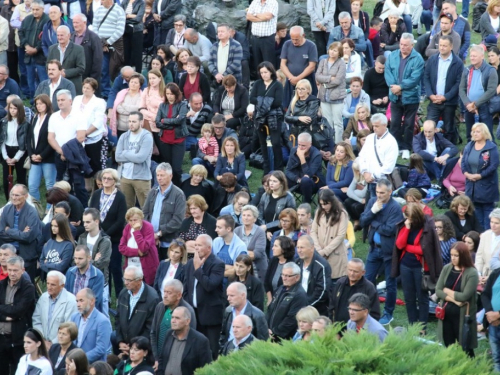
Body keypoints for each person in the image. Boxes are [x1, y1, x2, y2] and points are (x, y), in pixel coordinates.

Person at [392, 203, 443, 334]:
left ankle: (422, 327)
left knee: (422, 298)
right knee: (409, 298)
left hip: (421, 268)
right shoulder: (406, 224)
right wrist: (407, 228)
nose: (408, 220)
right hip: (406, 266)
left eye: (410, 218)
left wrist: (408, 248)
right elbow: (399, 244)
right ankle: (412, 325)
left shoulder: (427, 226)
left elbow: (423, 249)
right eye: (407, 217)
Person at [359, 179, 404, 325]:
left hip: (389, 251)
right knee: (367, 280)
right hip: (374, 249)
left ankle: (388, 313)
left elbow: (390, 230)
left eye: (382, 193)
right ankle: (369, 310)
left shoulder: (394, 208)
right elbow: (362, 221)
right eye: (377, 192)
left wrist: (374, 222)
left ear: (390, 192)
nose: (379, 195)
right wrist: (372, 212)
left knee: (390, 284)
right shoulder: (373, 201)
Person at [183, 234, 225, 359]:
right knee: (195, 349)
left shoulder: (218, 264)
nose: (196, 248)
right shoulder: (190, 263)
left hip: (210, 315)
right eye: (195, 245)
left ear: (209, 248)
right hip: (193, 313)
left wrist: (198, 269)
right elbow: (186, 286)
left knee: (212, 349)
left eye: (199, 245)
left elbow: (209, 285)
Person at [385, 33, 424, 159]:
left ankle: (406, 147)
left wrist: (400, 87)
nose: (402, 47)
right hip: (395, 96)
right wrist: (394, 87)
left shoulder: (418, 59)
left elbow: (415, 78)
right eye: (401, 44)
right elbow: (388, 73)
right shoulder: (392, 56)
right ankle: (395, 146)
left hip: (411, 98)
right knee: (395, 123)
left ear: (412, 45)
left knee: (409, 123)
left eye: (406, 45)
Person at [88, 168, 127, 296]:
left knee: (115, 268)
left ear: (115, 181)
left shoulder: (120, 197)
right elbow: (92, 213)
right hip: (97, 237)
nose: (106, 180)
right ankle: (106, 296)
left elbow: (120, 220)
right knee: (100, 267)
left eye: (109, 178)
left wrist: (106, 234)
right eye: (104, 178)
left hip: (113, 239)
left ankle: (120, 296)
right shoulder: (97, 194)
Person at [435, 242, 478, 356]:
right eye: (451, 255)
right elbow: (438, 290)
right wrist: (454, 300)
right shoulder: (447, 268)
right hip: (446, 314)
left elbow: (464, 296)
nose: (453, 258)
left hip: (462, 316)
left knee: (465, 346)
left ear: (463, 256)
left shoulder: (472, 273)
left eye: (456, 255)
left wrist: (447, 290)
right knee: (448, 344)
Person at [47, 89, 88, 207]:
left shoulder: (79, 116)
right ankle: (62, 209)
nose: (60, 102)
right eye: (58, 100)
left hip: (76, 154)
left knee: (78, 185)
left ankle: (83, 211)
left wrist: (66, 152)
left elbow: (80, 137)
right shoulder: (54, 117)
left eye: (63, 100)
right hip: (60, 154)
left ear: (70, 101)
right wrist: (62, 152)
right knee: (61, 185)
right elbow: (51, 138)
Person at [142, 162, 186, 261]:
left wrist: (158, 234)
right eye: (157, 175)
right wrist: (150, 234)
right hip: (150, 240)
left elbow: (177, 220)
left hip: (168, 242)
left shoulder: (178, 194)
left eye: (162, 175)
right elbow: (144, 213)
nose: (159, 178)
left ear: (170, 176)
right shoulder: (153, 192)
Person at [150, 279, 196, 369]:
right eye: (164, 292)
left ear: (179, 295)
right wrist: (156, 358)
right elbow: (153, 333)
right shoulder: (160, 306)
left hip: (176, 364)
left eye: (169, 293)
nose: (165, 296)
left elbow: (190, 340)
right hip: (158, 360)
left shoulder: (188, 311)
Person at [0, 185, 43, 281]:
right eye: (12, 195)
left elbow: (28, 237)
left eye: (17, 195)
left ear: (26, 196)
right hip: (7, 255)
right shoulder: (7, 209)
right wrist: (20, 234)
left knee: (26, 286)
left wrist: (9, 231)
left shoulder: (32, 212)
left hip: (26, 256)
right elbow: (1, 232)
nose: (14, 198)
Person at [115, 266, 159, 355]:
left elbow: (150, 328)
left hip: (140, 347)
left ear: (139, 280)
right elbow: (118, 319)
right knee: (113, 337)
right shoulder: (123, 293)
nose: (125, 283)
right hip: (124, 343)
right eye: (124, 279)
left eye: (129, 280)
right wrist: (120, 341)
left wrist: (133, 346)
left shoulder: (152, 299)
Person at [463, 123, 499, 230]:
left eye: (478, 131)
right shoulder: (469, 145)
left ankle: (489, 235)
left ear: (484, 133)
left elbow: (494, 165)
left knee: (488, 215)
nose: (475, 133)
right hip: (472, 186)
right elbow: (464, 162)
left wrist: (480, 175)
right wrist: (466, 173)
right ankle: (479, 237)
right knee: (476, 212)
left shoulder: (491, 147)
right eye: (473, 131)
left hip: (486, 187)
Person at [157, 306, 212, 374]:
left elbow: (205, 369)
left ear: (187, 321)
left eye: (177, 318)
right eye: (172, 317)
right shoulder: (169, 334)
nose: (173, 321)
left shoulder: (200, 341)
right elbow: (162, 359)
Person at [115, 111, 153, 209]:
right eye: (129, 121)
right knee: (127, 208)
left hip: (142, 178)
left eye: (134, 121)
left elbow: (141, 158)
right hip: (125, 177)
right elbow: (117, 157)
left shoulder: (147, 136)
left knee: (146, 208)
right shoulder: (124, 136)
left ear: (141, 122)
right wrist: (133, 156)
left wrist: (125, 153)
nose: (131, 124)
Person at [459, 46, 497, 140]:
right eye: (471, 56)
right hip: (469, 107)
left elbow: (491, 91)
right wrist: (468, 104)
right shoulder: (467, 70)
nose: (472, 58)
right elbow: (461, 88)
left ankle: (490, 153)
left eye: (474, 56)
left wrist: (476, 104)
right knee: (470, 135)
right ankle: (470, 153)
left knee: (487, 135)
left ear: (482, 56)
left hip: (484, 107)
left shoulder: (490, 71)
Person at [72, 78, 107, 183]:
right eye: (84, 87)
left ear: (93, 90)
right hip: (77, 136)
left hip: (93, 138)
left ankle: (96, 185)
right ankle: (84, 185)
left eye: (88, 88)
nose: (85, 89)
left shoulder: (99, 102)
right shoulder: (77, 99)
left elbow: (98, 122)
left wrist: (85, 133)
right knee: (80, 163)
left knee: (94, 163)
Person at [311, 189, 349, 284]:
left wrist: (325, 251)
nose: (324, 206)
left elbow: (340, 236)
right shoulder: (319, 212)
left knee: (335, 282)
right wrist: (318, 249)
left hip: (335, 254)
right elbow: (313, 231)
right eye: (321, 204)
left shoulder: (342, 214)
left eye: (326, 204)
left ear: (332, 201)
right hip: (319, 252)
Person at [77, 208, 112, 309]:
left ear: (96, 221)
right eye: (84, 222)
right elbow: (75, 260)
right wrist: (93, 260)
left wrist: (85, 260)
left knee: (102, 314)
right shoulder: (82, 237)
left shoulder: (105, 241)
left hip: (99, 283)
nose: (85, 224)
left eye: (88, 222)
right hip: (83, 280)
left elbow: (101, 264)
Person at [219, 281, 268, 351]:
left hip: (248, 356)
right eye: (228, 295)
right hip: (229, 354)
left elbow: (263, 342)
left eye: (232, 295)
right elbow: (223, 335)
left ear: (243, 295)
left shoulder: (257, 315)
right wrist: (222, 351)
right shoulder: (228, 310)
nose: (228, 298)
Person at [358, 113, 398, 198]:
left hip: (382, 183)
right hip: (368, 181)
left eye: (377, 126)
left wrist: (372, 176)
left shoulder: (391, 142)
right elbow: (362, 156)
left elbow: (388, 166)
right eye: (373, 126)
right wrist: (364, 172)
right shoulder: (370, 138)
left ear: (385, 125)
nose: (374, 128)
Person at [155, 83, 188, 186]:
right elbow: (157, 122)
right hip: (164, 140)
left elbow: (180, 120)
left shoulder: (182, 105)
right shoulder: (162, 105)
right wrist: (172, 123)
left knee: (176, 169)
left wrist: (165, 120)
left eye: (172, 94)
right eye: (167, 93)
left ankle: (179, 189)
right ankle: (167, 187)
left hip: (178, 140)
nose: (169, 96)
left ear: (176, 94)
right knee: (167, 168)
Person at [33, 271, 77, 346]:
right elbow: (36, 320)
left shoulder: (71, 301)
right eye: (48, 283)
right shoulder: (43, 297)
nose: (49, 287)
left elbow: (69, 327)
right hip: (42, 344)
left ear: (62, 286)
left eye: (53, 284)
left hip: (61, 346)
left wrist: (53, 343)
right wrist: (43, 340)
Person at [329, 258, 380, 324]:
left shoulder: (369, 288)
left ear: (363, 272)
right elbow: (332, 305)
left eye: (355, 271)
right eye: (350, 270)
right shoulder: (340, 283)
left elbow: (374, 314)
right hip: (337, 328)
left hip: (356, 331)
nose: (352, 273)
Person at [266, 262, 308, 341]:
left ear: (297, 277)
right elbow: (270, 309)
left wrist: (275, 333)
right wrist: (266, 328)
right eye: (283, 275)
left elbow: (291, 319)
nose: (284, 278)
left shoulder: (299, 295)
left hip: (284, 339)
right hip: (270, 334)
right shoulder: (280, 289)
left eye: (288, 276)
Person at [92, 0, 126, 99]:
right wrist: (101, 43)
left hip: (115, 45)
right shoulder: (98, 11)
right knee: (103, 69)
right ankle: (105, 93)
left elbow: (120, 30)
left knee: (115, 69)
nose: (101, 1)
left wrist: (108, 43)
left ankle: (118, 92)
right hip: (101, 44)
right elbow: (95, 28)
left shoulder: (119, 10)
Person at [26, 94, 55, 204]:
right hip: (34, 158)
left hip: (48, 158)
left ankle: (50, 210)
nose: (39, 106)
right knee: (32, 186)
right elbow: (29, 138)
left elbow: (52, 140)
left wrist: (42, 155)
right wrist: (31, 154)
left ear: (47, 104)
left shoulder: (52, 117)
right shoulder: (34, 118)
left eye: (41, 103)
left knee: (50, 186)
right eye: (37, 104)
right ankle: (36, 209)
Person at [119, 208, 159, 286]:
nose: (133, 223)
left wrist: (136, 231)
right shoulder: (127, 228)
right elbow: (121, 248)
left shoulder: (148, 227)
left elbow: (144, 248)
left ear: (141, 219)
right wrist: (137, 252)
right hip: (131, 265)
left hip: (147, 267)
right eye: (130, 220)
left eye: (135, 220)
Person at [280, 26, 318, 108]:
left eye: (297, 39)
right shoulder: (287, 44)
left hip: (307, 81)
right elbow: (282, 64)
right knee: (289, 105)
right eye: (292, 39)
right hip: (290, 81)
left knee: (307, 105)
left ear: (303, 35)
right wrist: (291, 78)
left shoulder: (311, 46)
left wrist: (298, 79)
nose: (294, 41)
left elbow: (311, 66)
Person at [316, 41, 346, 144]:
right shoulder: (323, 61)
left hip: (337, 97)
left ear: (339, 52)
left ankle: (338, 144)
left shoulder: (341, 63)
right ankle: (329, 144)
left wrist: (324, 84)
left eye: (335, 50)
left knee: (337, 123)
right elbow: (317, 76)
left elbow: (338, 80)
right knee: (327, 122)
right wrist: (329, 78)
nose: (332, 52)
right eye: (331, 49)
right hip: (324, 96)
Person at [70, 288, 111, 363]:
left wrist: (81, 360)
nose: (78, 304)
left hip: (93, 366)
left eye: (81, 300)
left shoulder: (102, 321)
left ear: (92, 301)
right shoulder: (74, 317)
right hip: (74, 363)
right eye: (77, 301)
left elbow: (101, 348)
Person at [18, 0, 49, 99]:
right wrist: (26, 46)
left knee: (43, 82)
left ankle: (45, 103)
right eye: (33, 9)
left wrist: (36, 49)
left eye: (37, 9)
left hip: (41, 57)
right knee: (30, 82)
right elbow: (21, 32)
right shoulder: (27, 19)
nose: (34, 12)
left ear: (42, 9)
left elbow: (46, 38)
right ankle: (33, 102)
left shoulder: (47, 20)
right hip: (29, 56)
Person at [0, 97, 29, 200]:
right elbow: (2, 140)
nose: (12, 110)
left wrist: (16, 158)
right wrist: (6, 157)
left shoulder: (25, 123)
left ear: (19, 109)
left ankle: (22, 200)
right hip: (7, 151)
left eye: (15, 108)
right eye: (11, 108)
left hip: (20, 152)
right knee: (7, 180)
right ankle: (9, 201)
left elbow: (24, 143)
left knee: (21, 179)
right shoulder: (4, 121)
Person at [295, 235, 331, 315]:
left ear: (312, 248)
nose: (299, 250)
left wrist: (306, 307)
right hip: (298, 307)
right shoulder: (296, 263)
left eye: (302, 247)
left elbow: (322, 291)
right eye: (298, 247)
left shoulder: (322, 266)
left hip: (316, 311)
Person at [286, 132, 325, 204]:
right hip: (297, 180)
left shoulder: (317, 155)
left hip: (313, 182)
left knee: (305, 180)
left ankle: (306, 204)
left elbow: (309, 174)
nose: (300, 148)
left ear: (310, 144)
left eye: (303, 145)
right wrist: (297, 179)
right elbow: (288, 170)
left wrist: (302, 158)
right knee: (277, 176)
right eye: (299, 144)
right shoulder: (294, 150)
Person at [47, 25, 86, 95]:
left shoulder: (78, 49)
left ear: (69, 35)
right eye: (58, 35)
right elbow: (47, 66)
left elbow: (81, 68)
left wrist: (65, 73)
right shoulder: (52, 49)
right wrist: (54, 72)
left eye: (61, 35)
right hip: (56, 85)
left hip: (73, 85)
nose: (59, 37)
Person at [65, 245, 105, 312]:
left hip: (89, 313)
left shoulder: (97, 275)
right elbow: (66, 294)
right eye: (75, 258)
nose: (77, 261)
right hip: (71, 311)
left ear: (89, 258)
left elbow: (95, 300)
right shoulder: (70, 272)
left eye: (80, 258)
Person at [71, 14, 103, 96]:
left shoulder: (94, 38)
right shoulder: (71, 36)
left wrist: (92, 80)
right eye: (73, 22)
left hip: (89, 78)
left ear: (84, 22)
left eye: (77, 22)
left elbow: (98, 60)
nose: (74, 25)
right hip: (74, 78)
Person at [258, 170, 295, 238]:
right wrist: (267, 230)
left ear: (281, 183)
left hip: (282, 231)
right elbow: (260, 215)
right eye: (270, 181)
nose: (271, 183)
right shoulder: (265, 195)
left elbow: (289, 219)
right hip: (264, 230)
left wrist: (267, 226)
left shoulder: (289, 198)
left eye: (274, 181)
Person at [234, 206, 267, 283]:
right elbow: (233, 251)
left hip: (256, 269)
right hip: (240, 268)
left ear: (255, 219)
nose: (246, 218)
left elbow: (257, 254)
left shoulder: (260, 232)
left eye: (249, 215)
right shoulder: (236, 231)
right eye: (244, 215)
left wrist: (240, 253)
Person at [246, 0, 279, 73]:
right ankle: (259, 81)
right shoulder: (254, 2)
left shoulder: (273, 2)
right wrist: (262, 17)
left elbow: (268, 16)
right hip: (255, 39)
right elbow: (248, 16)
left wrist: (255, 15)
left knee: (269, 63)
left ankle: (271, 81)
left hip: (268, 39)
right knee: (257, 63)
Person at [264, 236, 296, 303]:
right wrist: (270, 299)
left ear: (284, 249)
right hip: (272, 301)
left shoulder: (292, 264)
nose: (272, 248)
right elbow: (266, 282)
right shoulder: (273, 260)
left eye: (276, 246)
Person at [481, 262, 500, 371]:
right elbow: (485, 294)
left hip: (496, 318)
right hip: (492, 322)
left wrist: (498, 315)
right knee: (496, 358)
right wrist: (489, 313)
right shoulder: (496, 273)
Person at [475, 209, 500, 286]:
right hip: (482, 275)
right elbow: (479, 256)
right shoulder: (485, 235)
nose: (493, 225)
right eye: (491, 222)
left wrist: (490, 277)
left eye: (496, 223)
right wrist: (478, 274)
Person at [120, 0, 145, 73]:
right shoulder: (124, 2)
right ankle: (126, 74)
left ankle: (138, 74)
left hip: (136, 31)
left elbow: (138, 19)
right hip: (125, 31)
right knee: (126, 55)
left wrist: (126, 16)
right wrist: (132, 16)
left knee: (137, 55)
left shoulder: (141, 3)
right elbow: (120, 16)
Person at [344, 162, 367, 231]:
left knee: (355, 206)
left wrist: (353, 191)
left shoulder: (368, 177)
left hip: (368, 198)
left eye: (358, 170)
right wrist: (360, 200)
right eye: (355, 170)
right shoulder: (356, 177)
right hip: (361, 199)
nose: (357, 172)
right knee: (347, 202)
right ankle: (356, 221)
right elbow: (348, 192)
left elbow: (363, 194)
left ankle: (364, 224)